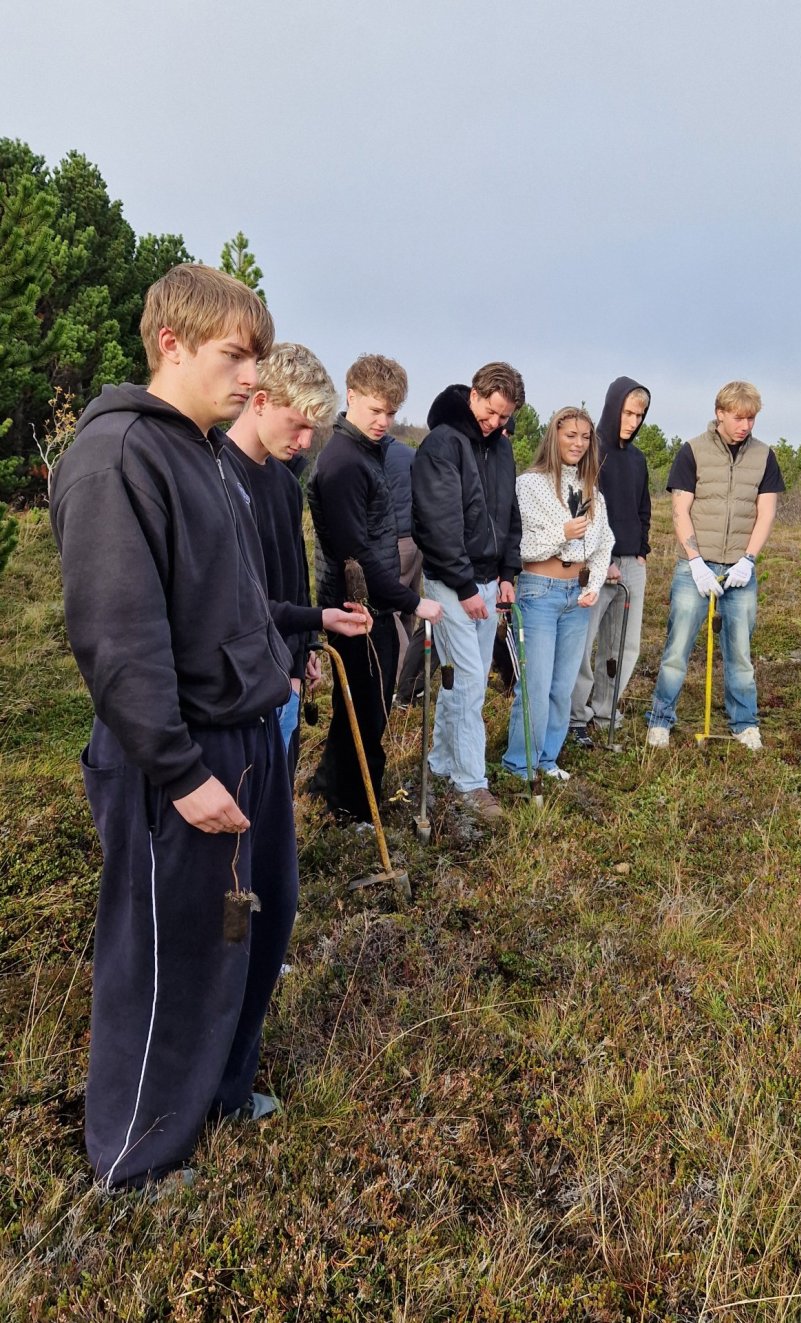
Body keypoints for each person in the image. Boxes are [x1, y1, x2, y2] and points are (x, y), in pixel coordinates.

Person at [49, 264, 299, 1191]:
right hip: (179, 758)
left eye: (258, 358)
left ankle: (220, 1090)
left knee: (253, 926)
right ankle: (136, 1155)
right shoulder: (118, 455)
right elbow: (117, 637)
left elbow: (232, 599)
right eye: (237, 355)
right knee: (162, 954)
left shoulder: (200, 450)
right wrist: (181, 770)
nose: (252, 379)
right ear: (172, 342)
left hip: (248, 738)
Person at [225, 343, 373, 776]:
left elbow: (293, 574)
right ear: (260, 401)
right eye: (298, 426)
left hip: (284, 669)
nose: (306, 441)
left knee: (277, 793)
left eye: (314, 430)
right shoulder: (216, 475)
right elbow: (232, 600)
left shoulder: (287, 484)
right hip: (238, 682)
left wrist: (305, 645)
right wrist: (317, 619)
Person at [306, 354, 442, 823]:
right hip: (354, 607)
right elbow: (354, 555)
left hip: (372, 606)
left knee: (362, 710)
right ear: (351, 397)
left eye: (391, 412)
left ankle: (332, 789)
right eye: (375, 410)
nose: (383, 421)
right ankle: (357, 810)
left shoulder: (366, 452)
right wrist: (411, 600)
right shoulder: (344, 463)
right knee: (365, 714)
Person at [411, 361, 525, 821]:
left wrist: (507, 574)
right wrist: (463, 585)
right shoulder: (443, 444)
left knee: (461, 681)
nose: (496, 423)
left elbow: (508, 515)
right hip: (449, 584)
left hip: (485, 581)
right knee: (471, 683)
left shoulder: (499, 447)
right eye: (491, 412)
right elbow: (439, 524)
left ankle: (442, 763)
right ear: (475, 394)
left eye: (505, 417)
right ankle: (470, 783)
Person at [646, 382, 784, 749]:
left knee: (740, 651)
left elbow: (766, 512)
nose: (745, 425)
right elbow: (680, 509)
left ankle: (744, 722)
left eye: (751, 418)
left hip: (740, 567)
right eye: (738, 417)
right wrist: (695, 562)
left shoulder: (765, 456)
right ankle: (660, 719)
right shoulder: (692, 451)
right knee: (677, 648)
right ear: (720, 413)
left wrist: (748, 560)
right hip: (697, 565)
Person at [502, 407, 613, 781]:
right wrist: (562, 532)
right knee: (534, 684)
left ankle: (547, 759)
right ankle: (519, 763)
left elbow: (604, 543)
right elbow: (520, 548)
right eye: (570, 435)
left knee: (563, 686)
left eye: (585, 437)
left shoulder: (591, 489)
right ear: (554, 436)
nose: (578, 444)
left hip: (576, 596)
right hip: (539, 592)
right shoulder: (528, 484)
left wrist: (595, 584)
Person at [569, 377, 651, 747]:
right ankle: (575, 717)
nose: (633, 421)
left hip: (631, 562)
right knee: (583, 644)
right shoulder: (591, 451)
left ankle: (605, 711)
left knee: (623, 645)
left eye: (640, 414)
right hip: (596, 562)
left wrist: (640, 550)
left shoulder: (638, 459)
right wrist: (602, 559)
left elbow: (643, 509)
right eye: (628, 412)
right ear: (613, 406)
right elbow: (581, 508)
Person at [380, 431, 422, 672]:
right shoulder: (410, 454)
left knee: (390, 607)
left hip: (394, 539)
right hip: (417, 539)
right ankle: (408, 673)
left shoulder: (377, 455)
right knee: (409, 605)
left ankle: (403, 677)